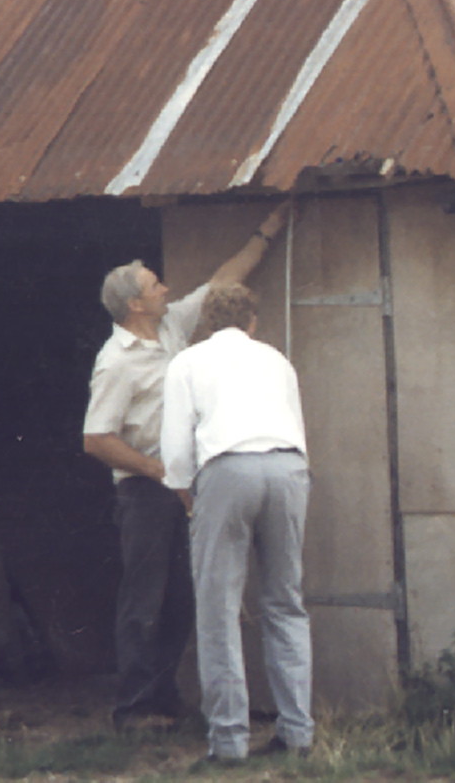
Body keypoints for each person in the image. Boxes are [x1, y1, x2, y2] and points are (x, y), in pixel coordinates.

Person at [82, 205, 292, 729]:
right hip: (147, 491)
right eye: (154, 286)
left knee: (181, 595)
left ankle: (164, 699)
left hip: (181, 484)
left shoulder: (171, 326)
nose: (165, 289)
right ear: (134, 304)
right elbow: (95, 439)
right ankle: (132, 709)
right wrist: (158, 471)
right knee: (145, 598)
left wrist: (266, 232)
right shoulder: (117, 361)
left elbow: (222, 282)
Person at [161, 284, 313, 762]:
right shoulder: (276, 360)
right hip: (288, 467)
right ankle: (297, 732)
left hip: (227, 469)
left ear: (206, 322)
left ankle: (229, 741)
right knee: (285, 602)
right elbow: (296, 423)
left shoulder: (187, 363)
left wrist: (187, 493)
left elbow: (176, 448)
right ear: (252, 321)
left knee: (219, 609)